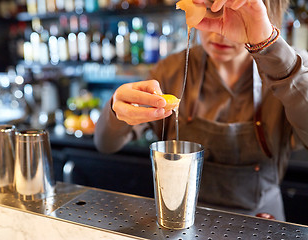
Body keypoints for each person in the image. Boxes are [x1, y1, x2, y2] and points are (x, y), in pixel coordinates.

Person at [94, 0, 308, 221]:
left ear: (268, 12)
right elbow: (105, 144)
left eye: (236, 13)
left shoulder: (290, 69)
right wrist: (116, 109)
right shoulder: (171, 70)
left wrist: (272, 50)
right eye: (209, 10)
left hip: (261, 222)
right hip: (179, 218)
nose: (219, 35)